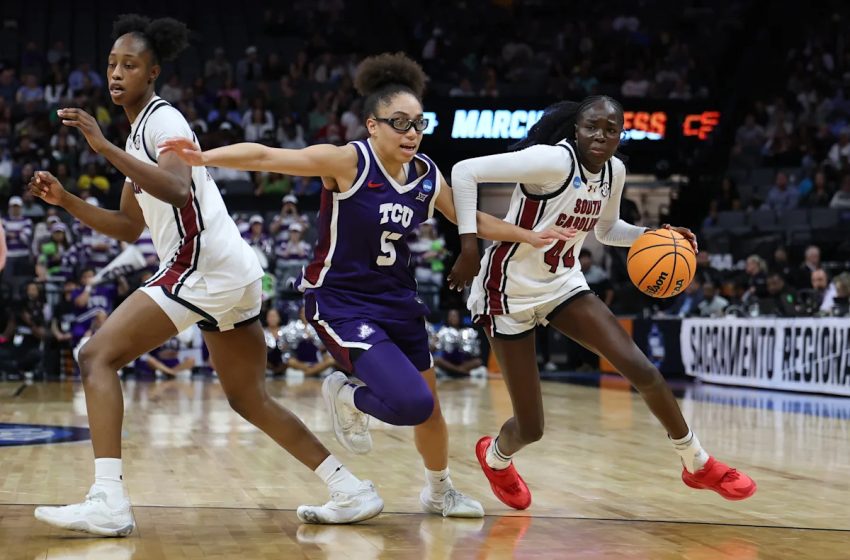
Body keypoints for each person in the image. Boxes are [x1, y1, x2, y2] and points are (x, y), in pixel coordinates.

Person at [160, 52, 574, 519]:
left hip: (399, 300)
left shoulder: (426, 175)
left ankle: (440, 491)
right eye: (399, 123)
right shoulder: (347, 162)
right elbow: (269, 156)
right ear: (372, 125)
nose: (411, 133)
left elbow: (469, 218)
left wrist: (527, 234)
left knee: (431, 408)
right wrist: (204, 157)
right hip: (341, 302)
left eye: (419, 123)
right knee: (413, 403)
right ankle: (345, 392)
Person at [30, 14, 384, 537]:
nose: (117, 73)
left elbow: (176, 189)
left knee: (94, 356)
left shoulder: (164, 121)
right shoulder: (137, 138)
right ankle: (350, 488)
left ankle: (108, 499)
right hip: (232, 273)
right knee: (248, 398)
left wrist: (101, 147)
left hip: (203, 267)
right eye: (111, 63)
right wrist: (65, 201)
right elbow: (129, 227)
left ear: (152, 73)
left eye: (130, 64)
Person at [449, 95, 757, 510]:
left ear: (619, 135)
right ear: (576, 129)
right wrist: (469, 248)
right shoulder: (551, 163)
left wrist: (656, 236)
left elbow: (608, 230)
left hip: (562, 285)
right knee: (531, 427)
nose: (600, 135)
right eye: (592, 126)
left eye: (610, 129)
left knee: (642, 370)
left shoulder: (614, 171)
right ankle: (495, 457)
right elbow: (464, 172)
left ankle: (696, 463)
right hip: (507, 292)